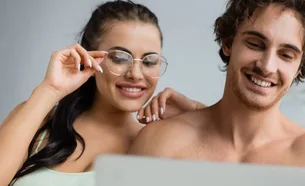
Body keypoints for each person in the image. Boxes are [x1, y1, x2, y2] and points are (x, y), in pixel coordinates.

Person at [129, 0, 305, 172]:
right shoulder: (160, 143)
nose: (267, 66)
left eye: (286, 55)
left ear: (299, 67)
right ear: (228, 43)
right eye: (255, 44)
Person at [0, 1, 202, 185]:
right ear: (89, 56)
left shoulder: (157, 145)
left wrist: (199, 115)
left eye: (149, 61)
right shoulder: (39, 119)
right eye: (120, 58)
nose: (136, 74)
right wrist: (51, 89)